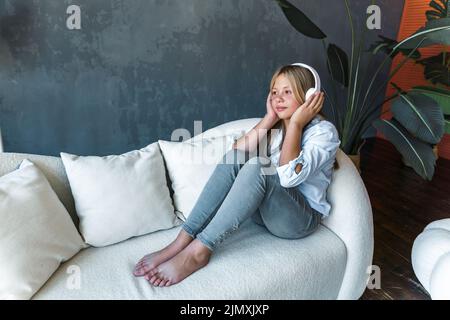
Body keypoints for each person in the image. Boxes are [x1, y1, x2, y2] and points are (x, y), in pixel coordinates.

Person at [133, 63, 341, 287]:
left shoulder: (323, 132)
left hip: (299, 220)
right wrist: (270, 118)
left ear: (310, 97)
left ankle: (199, 252)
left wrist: (297, 124)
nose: (278, 98)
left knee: (259, 166)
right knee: (239, 157)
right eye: (274, 92)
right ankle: (181, 241)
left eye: (287, 92)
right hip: (266, 214)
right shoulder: (278, 126)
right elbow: (235, 154)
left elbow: (289, 178)